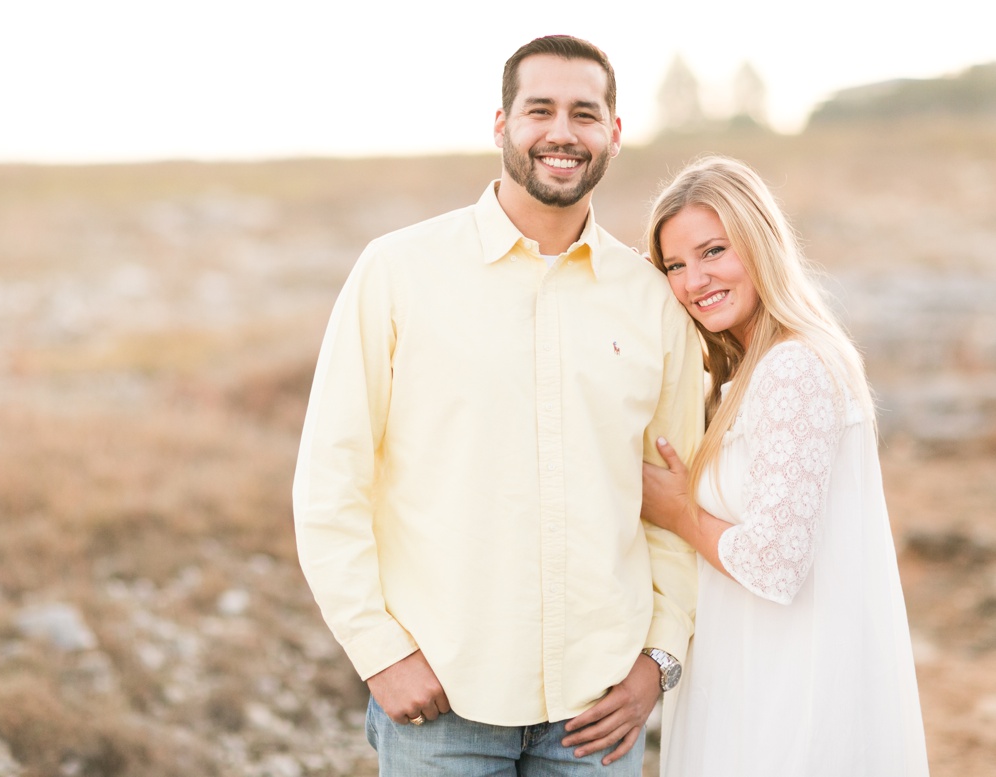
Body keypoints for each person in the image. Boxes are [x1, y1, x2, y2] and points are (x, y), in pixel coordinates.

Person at [293, 35, 704, 775]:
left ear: (613, 132)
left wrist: (658, 660)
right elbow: (330, 481)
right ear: (501, 125)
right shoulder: (398, 271)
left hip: (598, 711)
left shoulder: (653, 300)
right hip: (442, 702)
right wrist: (379, 652)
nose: (561, 132)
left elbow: (676, 499)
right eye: (538, 109)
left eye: (585, 113)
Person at [640, 155, 929, 776]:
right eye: (675, 265)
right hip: (754, 673)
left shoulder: (792, 368)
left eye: (714, 250)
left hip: (791, 693)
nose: (695, 280)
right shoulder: (744, 373)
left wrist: (676, 509)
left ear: (759, 240)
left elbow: (775, 563)